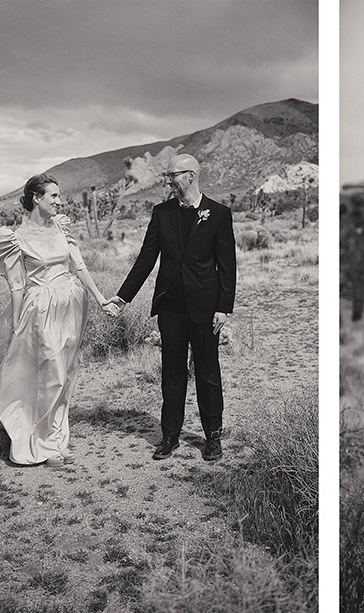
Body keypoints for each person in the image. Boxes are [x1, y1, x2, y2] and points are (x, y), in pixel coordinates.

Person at [0, 174, 114, 467]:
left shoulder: (62, 227)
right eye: (54, 196)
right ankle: (39, 445)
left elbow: (78, 266)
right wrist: (17, 322)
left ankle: (58, 440)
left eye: (59, 196)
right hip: (41, 311)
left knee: (66, 375)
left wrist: (100, 299)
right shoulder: (14, 237)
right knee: (50, 376)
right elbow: (17, 286)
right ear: (36, 198)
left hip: (71, 307)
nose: (60, 201)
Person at [108, 154, 236, 462]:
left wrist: (223, 307)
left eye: (173, 175)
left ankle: (213, 437)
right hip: (171, 308)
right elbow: (146, 259)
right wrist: (123, 297)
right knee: (172, 373)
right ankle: (169, 436)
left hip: (205, 308)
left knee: (207, 373)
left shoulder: (218, 213)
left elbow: (227, 265)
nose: (169, 181)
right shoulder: (161, 213)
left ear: (190, 176)